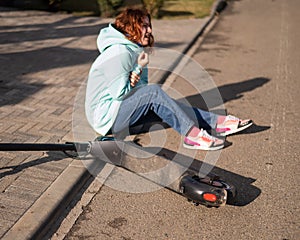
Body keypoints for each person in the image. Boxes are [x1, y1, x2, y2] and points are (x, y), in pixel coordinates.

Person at [85, 8, 252, 151]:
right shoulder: (119, 53)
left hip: (117, 112)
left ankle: (217, 123)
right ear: (129, 28)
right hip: (105, 119)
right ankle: (192, 137)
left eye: (149, 26)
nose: (149, 30)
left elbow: (139, 89)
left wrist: (139, 69)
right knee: (155, 94)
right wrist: (138, 68)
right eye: (144, 26)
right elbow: (120, 94)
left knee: (169, 106)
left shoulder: (133, 50)